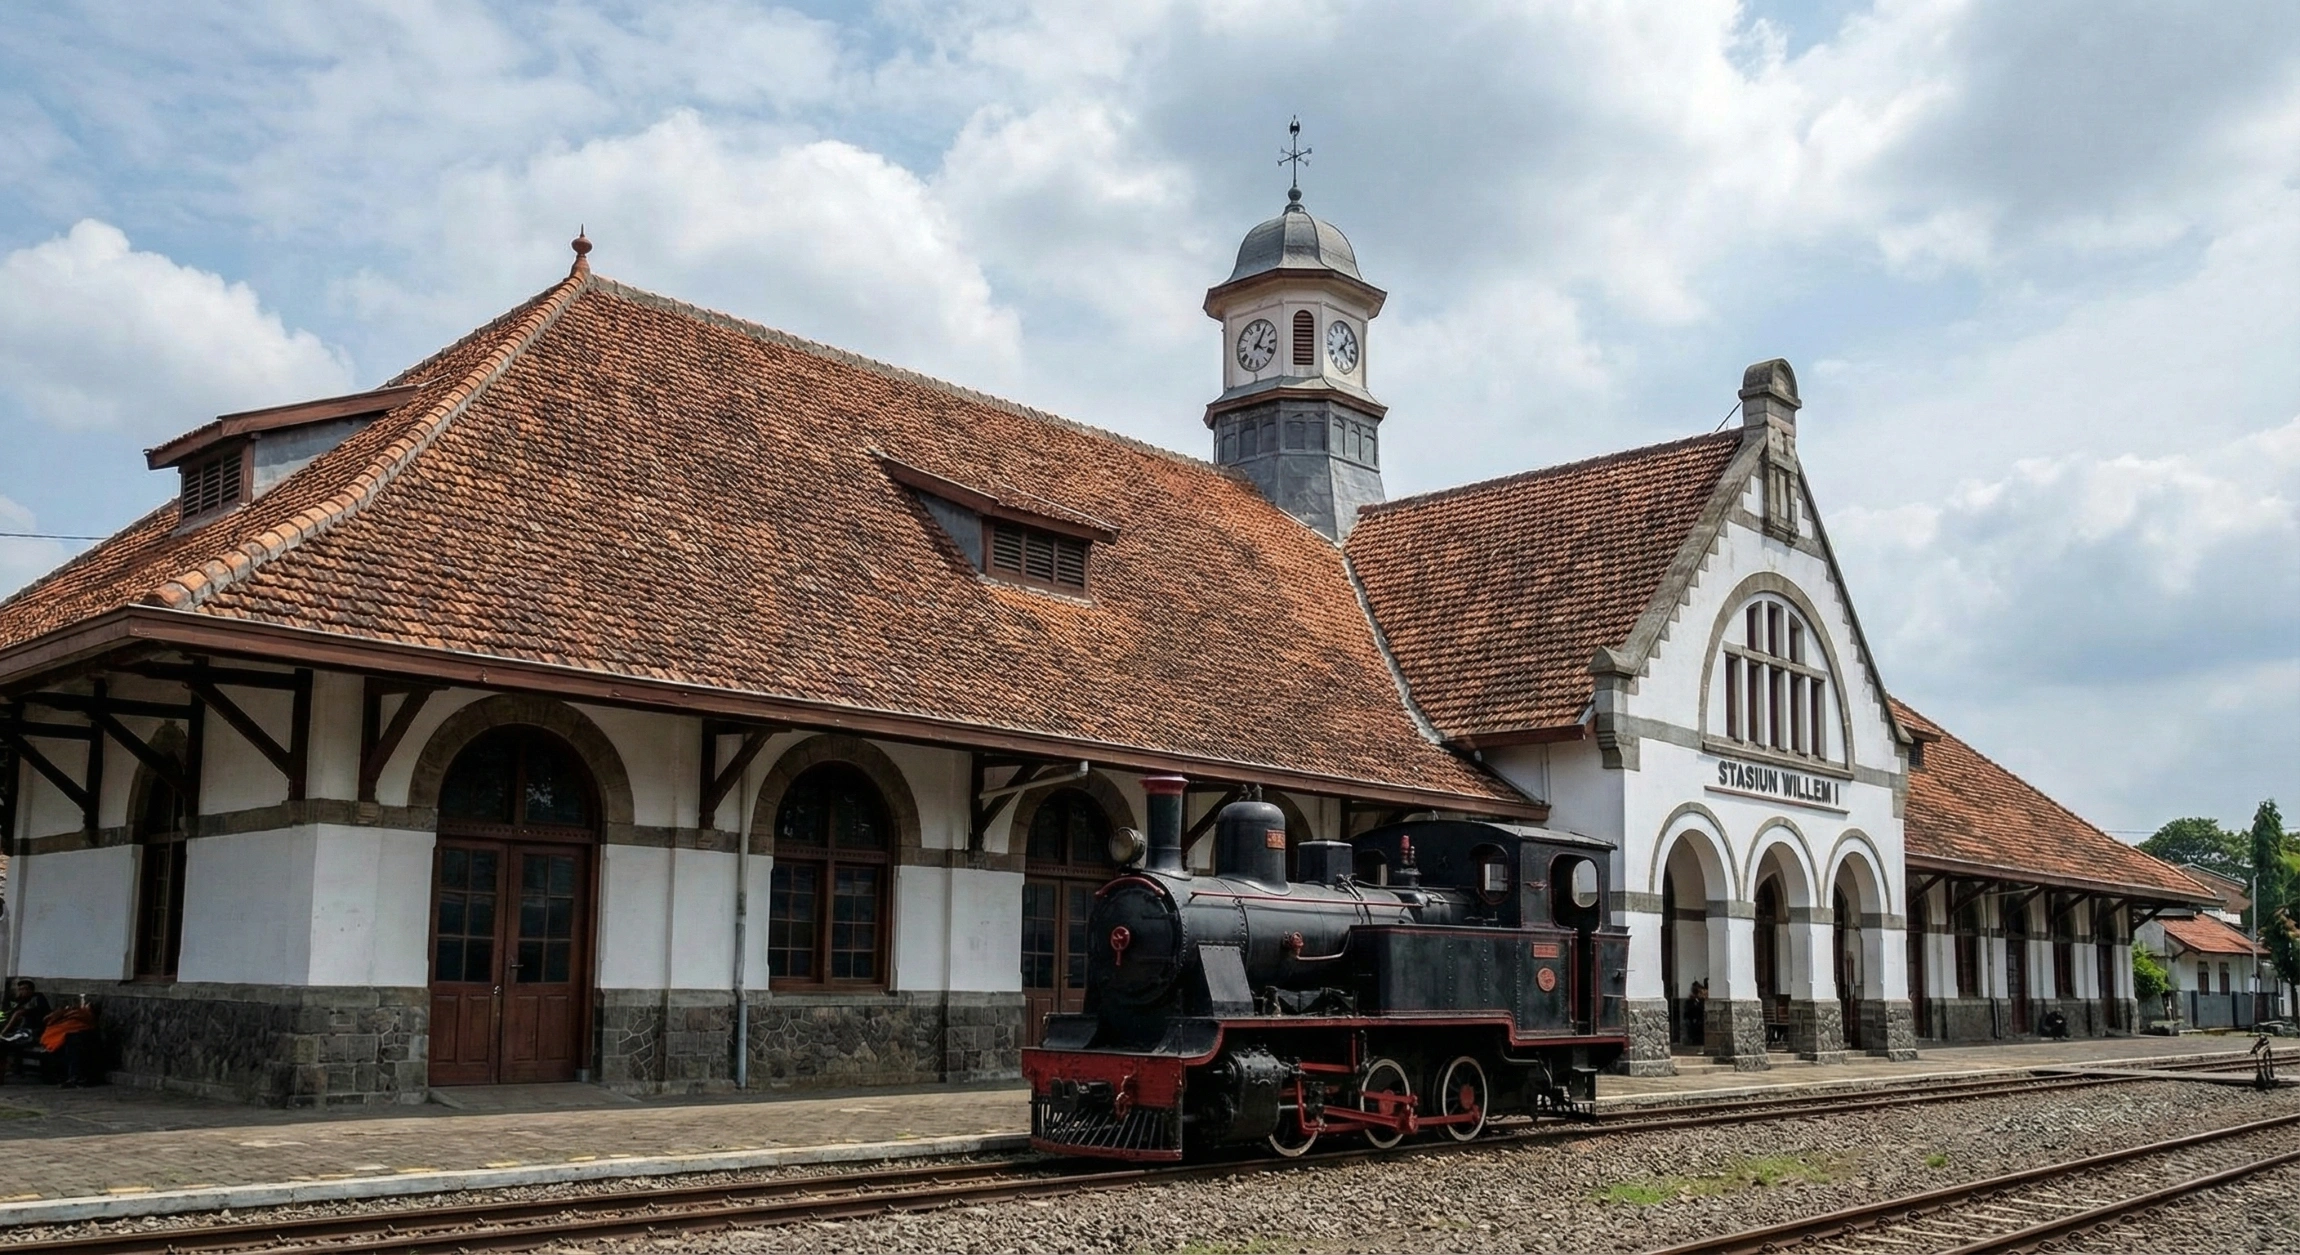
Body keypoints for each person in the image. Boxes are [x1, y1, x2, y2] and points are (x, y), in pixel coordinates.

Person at [0, 979, 52, 1083]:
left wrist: (2, 1033)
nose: (22, 991)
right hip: (18, 1032)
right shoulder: (19, 1002)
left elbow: (18, 1015)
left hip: (31, 1033)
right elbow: (6, 1015)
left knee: (2, 1043)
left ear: (31, 990)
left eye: (25, 989)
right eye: (20, 989)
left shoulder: (37, 999)